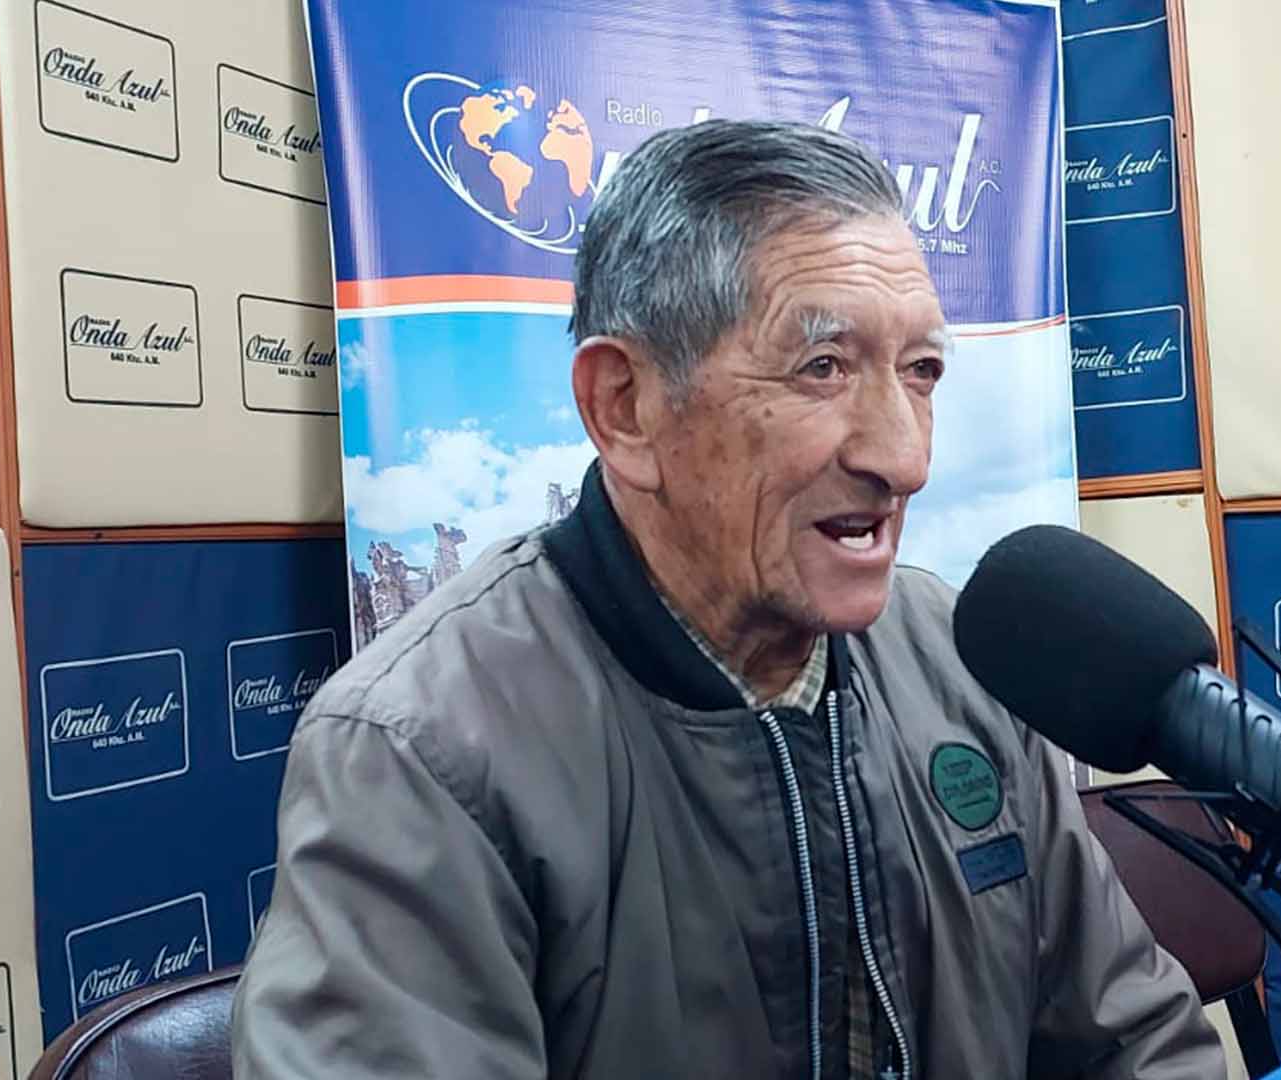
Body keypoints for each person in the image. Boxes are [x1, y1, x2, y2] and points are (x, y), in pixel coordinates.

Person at [230, 119, 1226, 1078]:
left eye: (921, 370)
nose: (904, 457)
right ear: (624, 408)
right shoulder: (417, 753)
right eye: (823, 367)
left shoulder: (964, 660)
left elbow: (1133, 1043)